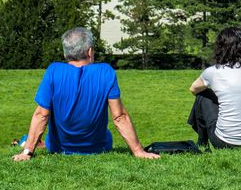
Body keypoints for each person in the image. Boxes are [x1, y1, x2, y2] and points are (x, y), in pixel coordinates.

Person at [13, 27, 159, 161]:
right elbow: (119, 116)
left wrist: (27, 153)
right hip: (98, 148)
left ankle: (32, 143)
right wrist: (138, 151)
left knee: (50, 139)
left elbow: (41, 115)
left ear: (65, 53)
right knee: (105, 134)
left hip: (58, 148)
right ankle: (37, 143)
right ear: (90, 52)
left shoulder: (53, 71)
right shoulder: (105, 72)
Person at [187, 27, 241, 149]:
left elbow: (193, 89)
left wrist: (216, 95)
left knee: (203, 95)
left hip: (228, 141)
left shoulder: (214, 71)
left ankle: (202, 142)